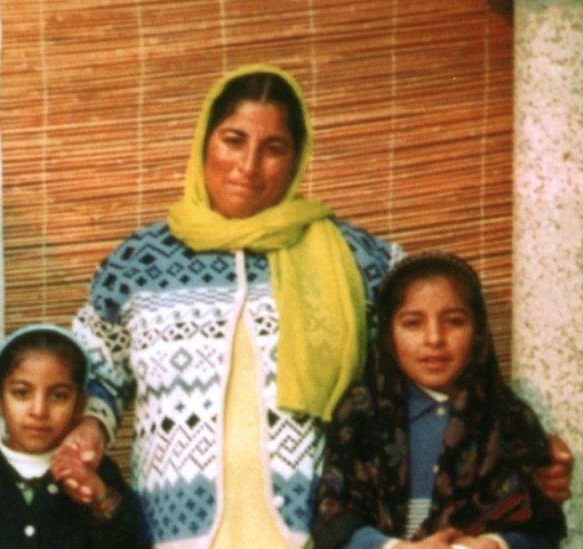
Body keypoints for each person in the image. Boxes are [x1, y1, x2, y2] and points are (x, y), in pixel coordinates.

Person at [52, 64, 574, 547]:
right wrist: (91, 425)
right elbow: (96, 363)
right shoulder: (141, 260)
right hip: (176, 526)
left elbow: (440, 353)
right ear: (204, 141)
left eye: (273, 147)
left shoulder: (361, 260)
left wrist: (525, 446)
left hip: (320, 530)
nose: (248, 166)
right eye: (233, 140)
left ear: (298, 156)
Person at [313, 252, 566, 548]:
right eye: (413, 323)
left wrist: (497, 543)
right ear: (387, 334)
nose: (434, 338)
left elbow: (541, 526)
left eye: (454, 321)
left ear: (479, 330)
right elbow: (334, 518)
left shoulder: (507, 417)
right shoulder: (359, 415)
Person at [0, 325, 147, 549]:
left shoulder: (95, 471)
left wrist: (101, 498)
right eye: (22, 393)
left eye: (59, 396)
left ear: (79, 405)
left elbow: (131, 539)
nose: (39, 411)